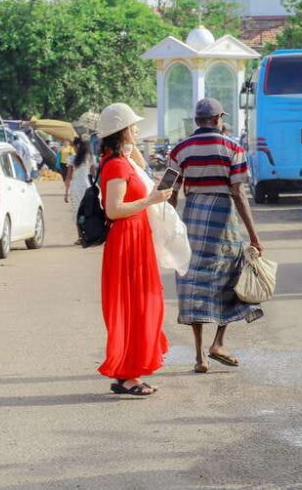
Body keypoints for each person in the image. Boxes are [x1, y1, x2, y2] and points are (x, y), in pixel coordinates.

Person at [168, 98, 264, 373]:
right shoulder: (233, 147)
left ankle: (199, 355)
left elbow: (169, 192)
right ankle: (218, 342)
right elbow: (238, 193)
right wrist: (254, 236)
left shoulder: (180, 149)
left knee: (193, 284)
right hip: (224, 221)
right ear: (219, 118)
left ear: (196, 121)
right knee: (232, 280)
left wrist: (166, 229)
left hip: (193, 219)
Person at [97, 103, 172, 396]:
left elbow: (143, 172)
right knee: (132, 307)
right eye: (133, 126)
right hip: (126, 239)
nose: (138, 130)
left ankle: (131, 372)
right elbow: (113, 210)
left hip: (136, 238)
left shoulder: (123, 160)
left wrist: (132, 146)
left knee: (142, 305)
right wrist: (150, 201)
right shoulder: (115, 165)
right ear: (122, 130)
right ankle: (127, 375)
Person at [64, 135, 94, 245]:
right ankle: (89, 235)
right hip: (88, 187)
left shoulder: (73, 159)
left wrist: (66, 193)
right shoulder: (91, 158)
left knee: (77, 212)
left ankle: (81, 236)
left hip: (76, 187)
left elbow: (68, 177)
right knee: (88, 211)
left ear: (77, 146)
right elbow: (93, 174)